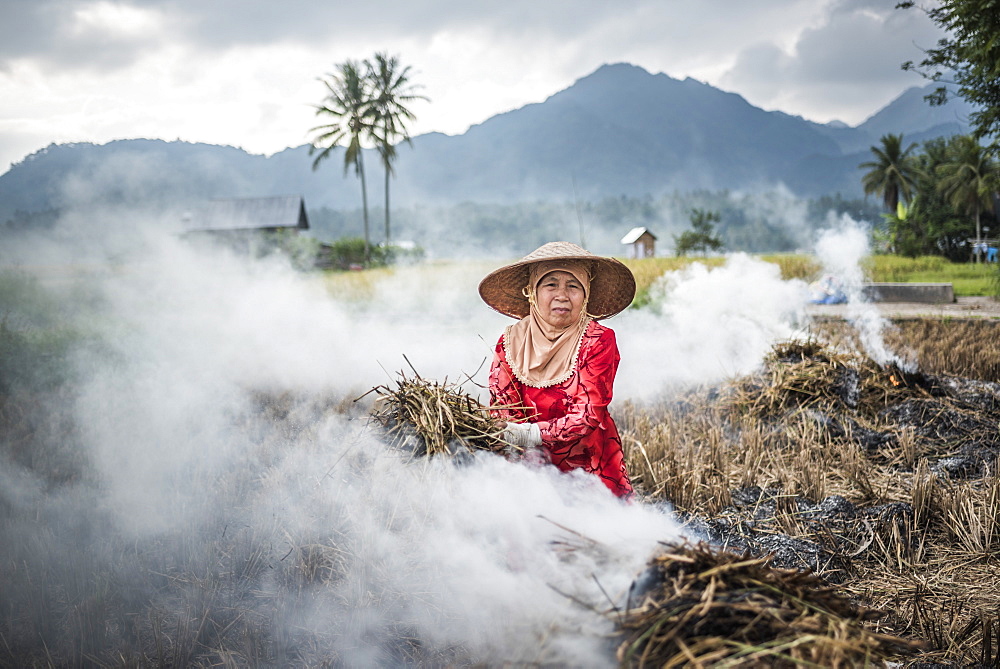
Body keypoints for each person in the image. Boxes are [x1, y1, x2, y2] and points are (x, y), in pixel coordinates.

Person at [478, 241, 636, 498]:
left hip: (587, 462)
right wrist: (515, 439)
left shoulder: (598, 339)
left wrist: (531, 433)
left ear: (585, 294)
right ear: (532, 291)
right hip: (526, 462)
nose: (562, 295)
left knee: (597, 530)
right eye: (551, 284)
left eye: (573, 286)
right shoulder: (510, 341)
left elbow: (588, 413)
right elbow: (503, 407)